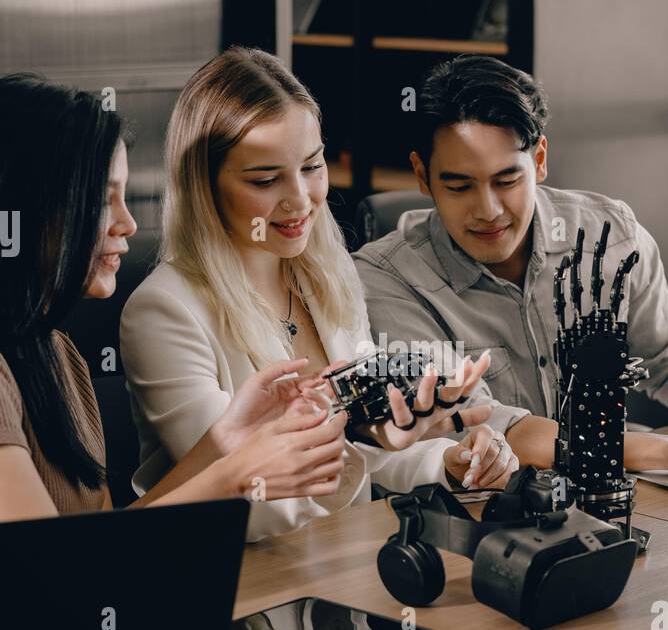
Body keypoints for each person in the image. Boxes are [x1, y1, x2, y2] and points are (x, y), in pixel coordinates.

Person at [0, 74, 346, 622]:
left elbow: (105, 548)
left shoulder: (56, 354)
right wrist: (230, 478)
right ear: (24, 207)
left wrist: (222, 441)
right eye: (100, 200)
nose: (127, 224)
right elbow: (50, 571)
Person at [121, 48, 518, 541]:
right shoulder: (163, 311)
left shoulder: (326, 273)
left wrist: (450, 460)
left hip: (338, 568)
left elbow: (373, 442)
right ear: (204, 185)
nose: (300, 198)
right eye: (265, 180)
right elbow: (255, 497)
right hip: (245, 588)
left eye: (311, 167)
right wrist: (358, 436)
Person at [353, 55, 668, 477]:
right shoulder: (386, 279)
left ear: (539, 160)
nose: (488, 210)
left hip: (615, 483)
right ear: (422, 176)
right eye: (460, 186)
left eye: (507, 181)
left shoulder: (611, 235)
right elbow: (493, 425)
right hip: (485, 507)